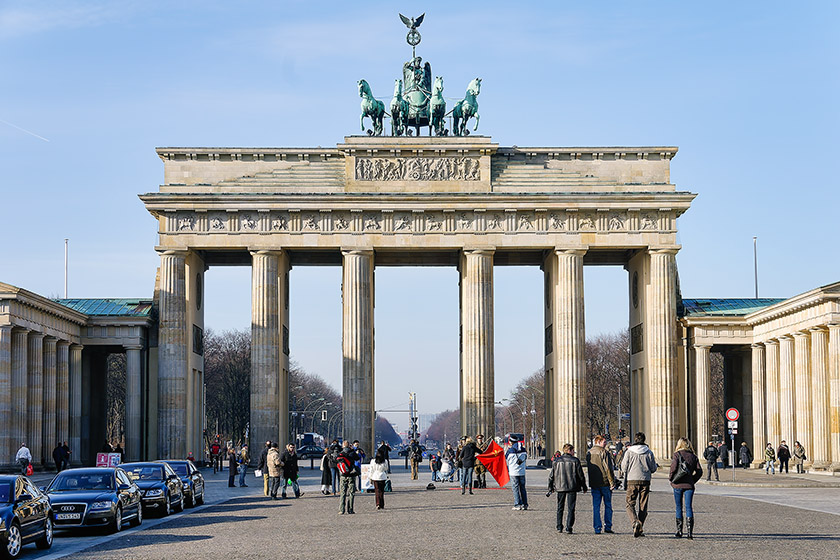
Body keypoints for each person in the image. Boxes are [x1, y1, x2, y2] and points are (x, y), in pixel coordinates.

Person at [621, 432, 657, 538]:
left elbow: (624, 467)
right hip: (645, 481)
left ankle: (634, 522)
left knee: (629, 504)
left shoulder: (629, 452)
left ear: (635, 440)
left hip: (632, 480)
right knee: (643, 505)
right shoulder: (649, 452)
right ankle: (640, 527)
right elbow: (653, 468)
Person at [547, 443, 587, 533]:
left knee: (560, 507)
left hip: (560, 486)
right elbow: (581, 475)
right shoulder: (575, 461)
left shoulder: (557, 461)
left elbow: (551, 476)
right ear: (569, 451)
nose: (574, 453)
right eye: (573, 451)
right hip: (572, 486)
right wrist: (584, 486)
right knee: (571, 508)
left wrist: (550, 487)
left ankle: (559, 526)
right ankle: (569, 527)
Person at [669, 437, 703, 539]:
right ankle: (689, 533)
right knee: (689, 507)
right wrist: (692, 480)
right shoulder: (693, 456)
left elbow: (673, 468)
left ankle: (679, 531)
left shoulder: (677, 455)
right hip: (689, 485)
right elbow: (699, 471)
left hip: (678, 484)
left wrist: (671, 478)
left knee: (678, 507)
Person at [586, 435, 616, 534]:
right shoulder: (604, 452)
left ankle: (597, 528)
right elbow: (608, 468)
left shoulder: (589, 453)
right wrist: (612, 482)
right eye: (604, 442)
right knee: (608, 505)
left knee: (596, 506)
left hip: (594, 483)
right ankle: (608, 526)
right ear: (598, 441)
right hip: (605, 482)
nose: (605, 443)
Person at [506, 435, 528, 511]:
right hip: (522, 472)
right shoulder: (524, 450)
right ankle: (525, 504)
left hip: (513, 472)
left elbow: (506, 459)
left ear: (511, 442)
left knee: (515, 488)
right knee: (522, 488)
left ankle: (517, 504)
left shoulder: (510, 451)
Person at [337, 441, 360, 514]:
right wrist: (353, 449)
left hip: (343, 475)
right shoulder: (352, 453)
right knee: (351, 493)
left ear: (343, 446)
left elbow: (335, 460)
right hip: (351, 475)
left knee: (343, 493)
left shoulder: (341, 453)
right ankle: (350, 509)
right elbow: (357, 458)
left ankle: (341, 510)